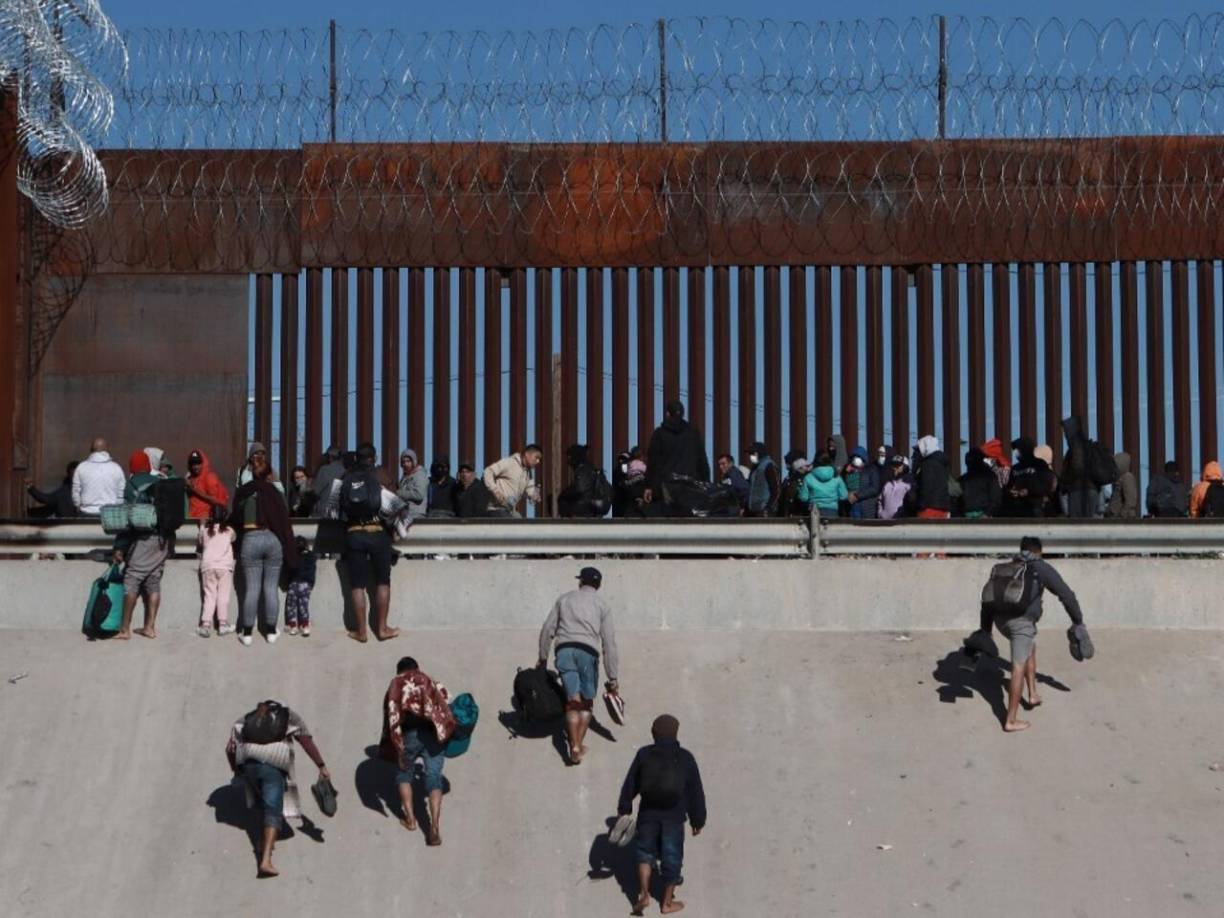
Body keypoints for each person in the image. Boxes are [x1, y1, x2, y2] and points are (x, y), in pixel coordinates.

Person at [979, 536, 1087, 733]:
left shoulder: (1009, 565)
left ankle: (1033, 694)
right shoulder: (1039, 566)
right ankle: (1010, 720)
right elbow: (1066, 595)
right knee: (1017, 666)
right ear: (1038, 552)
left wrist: (986, 630)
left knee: (1031, 647)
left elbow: (986, 600)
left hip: (999, 620)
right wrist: (1078, 621)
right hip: (1021, 624)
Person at [225, 701, 331, 877]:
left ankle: (262, 840)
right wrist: (321, 766)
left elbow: (230, 748)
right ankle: (265, 860)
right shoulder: (290, 716)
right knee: (273, 810)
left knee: (260, 800)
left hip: (250, 763)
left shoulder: (246, 719)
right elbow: (306, 741)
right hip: (274, 764)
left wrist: (237, 771)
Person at [617, 714, 707, 916]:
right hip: (674, 817)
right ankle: (666, 904)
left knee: (644, 853)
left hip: (648, 813)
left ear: (653, 734)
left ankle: (643, 894)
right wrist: (698, 820)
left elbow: (631, 782)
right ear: (676, 734)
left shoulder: (643, 755)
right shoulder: (686, 758)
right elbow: (695, 792)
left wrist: (624, 807)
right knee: (672, 858)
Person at [538, 567, 620, 766]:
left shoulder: (564, 599)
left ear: (580, 582)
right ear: (598, 586)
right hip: (587, 653)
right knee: (585, 702)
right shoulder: (603, 606)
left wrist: (542, 658)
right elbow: (609, 642)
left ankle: (573, 745)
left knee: (572, 700)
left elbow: (548, 628)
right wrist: (613, 676)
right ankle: (577, 744)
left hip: (564, 651)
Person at [380, 656, 457, 847]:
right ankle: (435, 827)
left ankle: (411, 820)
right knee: (433, 777)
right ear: (417, 667)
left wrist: (392, 743)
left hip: (409, 736)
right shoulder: (428, 680)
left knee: (404, 775)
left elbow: (390, 714)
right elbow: (447, 700)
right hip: (433, 736)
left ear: (399, 671)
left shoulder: (396, 684)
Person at [229, 449, 298, 646]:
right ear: (269, 474)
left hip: (250, 538)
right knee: (270, 588)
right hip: (272, 540)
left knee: (252, 589)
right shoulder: (274, 491)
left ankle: (247, 633)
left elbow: (235, 516)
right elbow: (284, 519)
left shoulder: (244, 492)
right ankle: (270, 631)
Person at [341, 442, 399, 643]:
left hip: (354, 533)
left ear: (356, 458)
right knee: (382, 582)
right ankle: (382, 629)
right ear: (374, 457)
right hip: (378, 534)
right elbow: (395, 507)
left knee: (357, 585)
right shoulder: (382, 475)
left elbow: (332, 511)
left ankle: (361, 631)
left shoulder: (346, 477)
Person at [112, 450, 172, 640]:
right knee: (153, 581)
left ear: (132, 467)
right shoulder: (160, 482)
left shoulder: (131, 486)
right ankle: (149, 627)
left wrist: (120, 546)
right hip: (162, 540)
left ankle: (124, 629)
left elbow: (127, 520)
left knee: (131, 579)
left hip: (143, 539)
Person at [645, 401, 711, 510]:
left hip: (666, 487)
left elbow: (653, 463)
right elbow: (702, 462)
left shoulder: (659, 434)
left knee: (668, 521)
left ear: (667, 414)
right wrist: (706, 483)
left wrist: (649, 486)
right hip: (690, 486)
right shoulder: (693, 434)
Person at [196, 506, 236, 638]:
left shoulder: (206, 531)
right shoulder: (229, 531)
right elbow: (233, 539)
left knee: (209, 596)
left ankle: (205, 625)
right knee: (223, 596)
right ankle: (223, 625)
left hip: (208, 566)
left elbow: (201, 541)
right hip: (224, 567)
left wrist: (202, 525)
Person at [483, 445, 543, 517]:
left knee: (521, 524)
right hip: (496, 509)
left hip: (510, 510)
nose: (538, 461)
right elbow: (488, 471)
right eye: (536, 457)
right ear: (527, 454)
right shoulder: (509, 463)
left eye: (539, 459)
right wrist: (495, 491)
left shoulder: (528, 473)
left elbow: (529, 490)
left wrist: (534, 496)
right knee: (513, 523)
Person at [71, 437, 125, 516]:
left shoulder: (81, 467)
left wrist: (77, 505)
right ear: (106, 450)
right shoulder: (116, 468)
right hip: (110, 513)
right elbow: (120, 491)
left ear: (91, 450)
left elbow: (76, 490)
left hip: (86, 511)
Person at [1060, 416, 1098, 518]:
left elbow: (1077, 467)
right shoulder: (1087, 445)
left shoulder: (1076, 445)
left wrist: (1065, 481)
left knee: (1078, 525)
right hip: (1091, 489)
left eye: (1065, 431)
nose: (1064, 434)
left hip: (1079, 490)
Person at [558, 443, 609, 518]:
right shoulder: (591, 469)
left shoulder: (583, 469)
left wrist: (565, 494)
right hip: (592, 508)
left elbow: (580, 488)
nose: (568, 460)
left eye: (569, 456)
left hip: (584, 509)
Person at [910, 435, 951, 519]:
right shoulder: (942, 463)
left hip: (928, 508)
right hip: (943, 507)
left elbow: (925, 487)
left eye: (919, 449)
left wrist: (920, 504)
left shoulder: (927, 464)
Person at [184, 449, 229, 520]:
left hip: (205, 518)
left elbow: (215, 500)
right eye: (193, 464)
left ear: (203, 463)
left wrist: (193, 489)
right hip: (192, 517)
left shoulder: (209, 477)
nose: (195, 466)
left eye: (198, 463)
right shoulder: (190, 478)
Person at [285, 536, 315, 637]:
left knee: (291, 606)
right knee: (304, 606)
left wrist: (287, 582)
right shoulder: (310, 556)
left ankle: (294, 626)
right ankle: (305, 626)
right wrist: (311, 583)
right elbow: (312, 570)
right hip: (305, 584)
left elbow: (288, 570)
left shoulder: (292, 556)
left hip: (293, 583)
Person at [958, 447, 1002, 518]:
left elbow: (996, 499)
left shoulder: (962, 479)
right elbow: (996, 498)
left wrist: (987, 514)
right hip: (976, 514)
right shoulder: (990, 477)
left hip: (976, 514)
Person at [744, 443, 780, 517]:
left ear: (760, 453)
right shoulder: (754, 468)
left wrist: (769, 508)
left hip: (764, 511)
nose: (751, 456)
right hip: (752, 510)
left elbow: (776, 490)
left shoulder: (769, 466)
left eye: (753, 454)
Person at [846, 446, 881, 519]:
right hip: (852, 507)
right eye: (854, 457)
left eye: (858, 456)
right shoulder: (850, 471)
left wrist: (857, 495)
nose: (855, 459)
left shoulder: (871, 469)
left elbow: (874, 488)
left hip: (867, 507)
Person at [1105, 452, 1139, 519]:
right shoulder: (1121, 477)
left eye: (1115, 464)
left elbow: (1130, 500)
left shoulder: (1127, 477)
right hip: (1116, 516)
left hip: (1123, 518)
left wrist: (1122, 515)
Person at [397, 449, 429, 520]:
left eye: (408, 461)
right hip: (405, 512)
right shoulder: (405, 477)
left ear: (414, 461)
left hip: (416, 514)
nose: (405, 464)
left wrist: (399, 493)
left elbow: (419, 494)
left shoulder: (419, 475)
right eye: (403, 462)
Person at [777, 450, 810, 517]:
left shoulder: (806, 479)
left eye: (788, 462)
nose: (786, 465)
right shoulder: (788, 479)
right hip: (788, 515)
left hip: (799, 515)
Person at [878, 454, 911, 519]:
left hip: (900, 524)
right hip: (884, 523)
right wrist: (880, 513)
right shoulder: (887, 485)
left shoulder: (908, 486)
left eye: (898, 465)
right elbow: (880, 501)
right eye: (893, 465)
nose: (894, 468)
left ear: (905, 467)